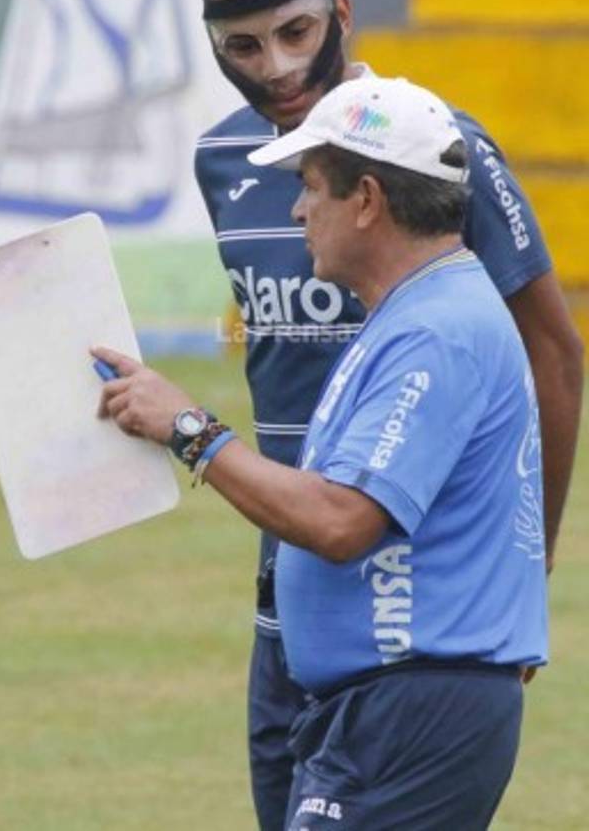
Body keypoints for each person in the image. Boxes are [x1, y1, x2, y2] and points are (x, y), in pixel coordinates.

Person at [189, 0, 583, 830]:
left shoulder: (434, 146)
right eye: (243, 47)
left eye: (296, 33)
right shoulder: (224, 162)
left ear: (342, 13)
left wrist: (527, 568)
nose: (278, 67)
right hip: (293, 581)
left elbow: (554, 353)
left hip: (410, 595)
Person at [92, 74, 549, 830]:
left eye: (309, 186)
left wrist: (192, 431)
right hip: (393, 708)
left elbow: (343, 520)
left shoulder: (435, 331)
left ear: (366, 200)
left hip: (407, 715)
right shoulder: (420, 314)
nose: (299, 209)